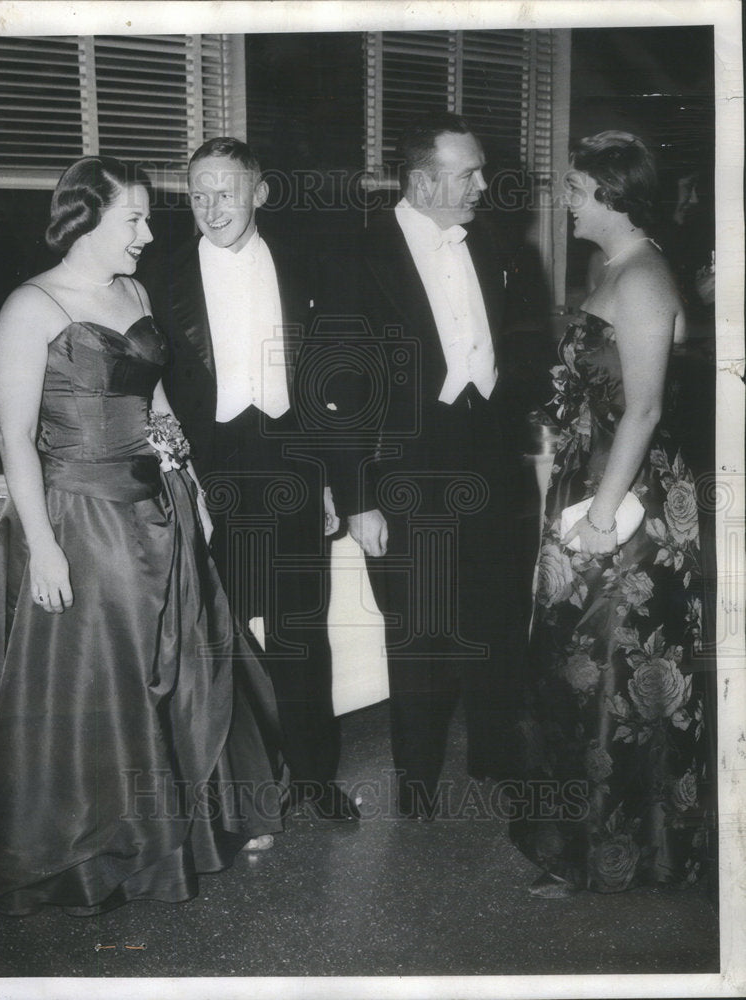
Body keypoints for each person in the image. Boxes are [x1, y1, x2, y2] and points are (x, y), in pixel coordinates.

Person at [0, 156, 284, 917]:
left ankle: (188, 832)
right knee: (107, 680)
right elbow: (13, 439)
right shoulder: (30, 306)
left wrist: (190, 483)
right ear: (85, 220)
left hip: (157, 503)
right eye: (131, 219)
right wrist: (41, 544)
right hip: (79, 512)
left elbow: (157, 402)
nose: (147, 232)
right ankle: (97, 845)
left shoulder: (133, 291)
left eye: (144, 217)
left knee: (188, 662)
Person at [510, 131, 710, 896]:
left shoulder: (645, 277)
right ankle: (582, 842)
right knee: (574, 667)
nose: (564, 199)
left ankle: (614, 855)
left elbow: (646, 408)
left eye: (575, 187)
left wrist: (597, 518)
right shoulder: (612, 266)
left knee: (611, 667)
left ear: (612, 197)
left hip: (626, 501)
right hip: (590, 483)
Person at [312, 112, 526, 819]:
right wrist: (356, 496)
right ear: (420, 177)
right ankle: (418, 777)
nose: (482, 185)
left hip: (492, 461)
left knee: (496, 615)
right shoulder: (353, 252)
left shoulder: (496, 241)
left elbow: (510, 349)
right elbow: (335, 387)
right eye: (467, 173)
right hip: (403, 469)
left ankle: (497, 757)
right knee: (420, 629)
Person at [145, 138, 359, 822]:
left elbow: (334, 385)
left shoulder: (308, 265)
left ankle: (314, 776)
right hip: (207, 468)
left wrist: (334, 480)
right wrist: (179, 479)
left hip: (293, 461)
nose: (210, 207)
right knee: (215, 628)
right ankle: (227, 789)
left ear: (259, 193)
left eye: (225, 192)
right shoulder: (158, 273)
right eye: (197, 194)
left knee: (300, 627)